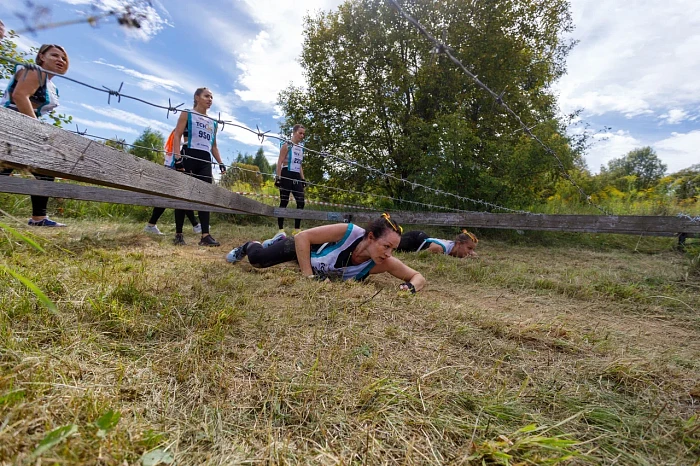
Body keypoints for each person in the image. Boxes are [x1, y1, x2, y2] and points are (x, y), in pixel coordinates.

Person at [225, 213, 425, 292]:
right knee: (259, 261)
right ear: (371, 237)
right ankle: (250, 244)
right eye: (386, 246)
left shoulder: (382, 262)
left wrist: (410, 288)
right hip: (304, 251)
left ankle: (278, 241)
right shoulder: (350, 232)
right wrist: (308, 277)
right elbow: (303, 237)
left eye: (393, 249)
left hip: (314, 262)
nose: (389, 253)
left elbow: (418, 277)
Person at [0, 44, 69, 227]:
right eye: (54, 55)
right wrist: (37, 129)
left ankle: (39, 218)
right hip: (12, 125)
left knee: (44, 170)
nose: (60, 60)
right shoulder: (35, 72)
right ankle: (38, 218)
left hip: (25, 126)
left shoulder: (50, 84)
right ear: (41, 57)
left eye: (63, 58)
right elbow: (20, 96)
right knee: (4, 169)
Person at [168, 87, 226, 246]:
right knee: (183, 194)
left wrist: (220, 162)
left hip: (205, 159)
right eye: (207, 96)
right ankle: (179, 234)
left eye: (212, 97)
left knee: (205, 196)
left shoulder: (213, 122)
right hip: (188, 154)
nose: (210, 99)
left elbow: (214, 146)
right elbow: (177, 135)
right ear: (197, 97)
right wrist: (177, 158)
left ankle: (205, 236)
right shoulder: (187, 113)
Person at [143, 130, 200, 235]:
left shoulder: (174, 135)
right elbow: (186, 149)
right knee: (181, 198)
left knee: (168, 198)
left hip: (170, 168)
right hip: (174, 168)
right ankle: (196, 225)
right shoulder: (181, 136)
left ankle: (151, 225)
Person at [273, 124, 306, 240]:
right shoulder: (287, 145)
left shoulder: (301, 148)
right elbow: (280, 161)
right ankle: (280, 230)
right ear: (294, 132)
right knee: (284, 201)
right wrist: (278, 177)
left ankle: (297, 229)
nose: (302, 136)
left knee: (301, 201)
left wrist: (303, 178)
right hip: (286, 173)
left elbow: (300, 164)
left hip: (296, 175)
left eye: (303, 134)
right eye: (300, 133)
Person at [397, 229, 478, 258]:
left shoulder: (455, 248)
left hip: (423, 238)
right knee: (394, 246)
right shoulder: (440, 248)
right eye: (469, 248)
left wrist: (473, 255)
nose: (470, 252)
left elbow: (475, 255)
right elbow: (419, 256)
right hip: (415, 239)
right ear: (459, 244)